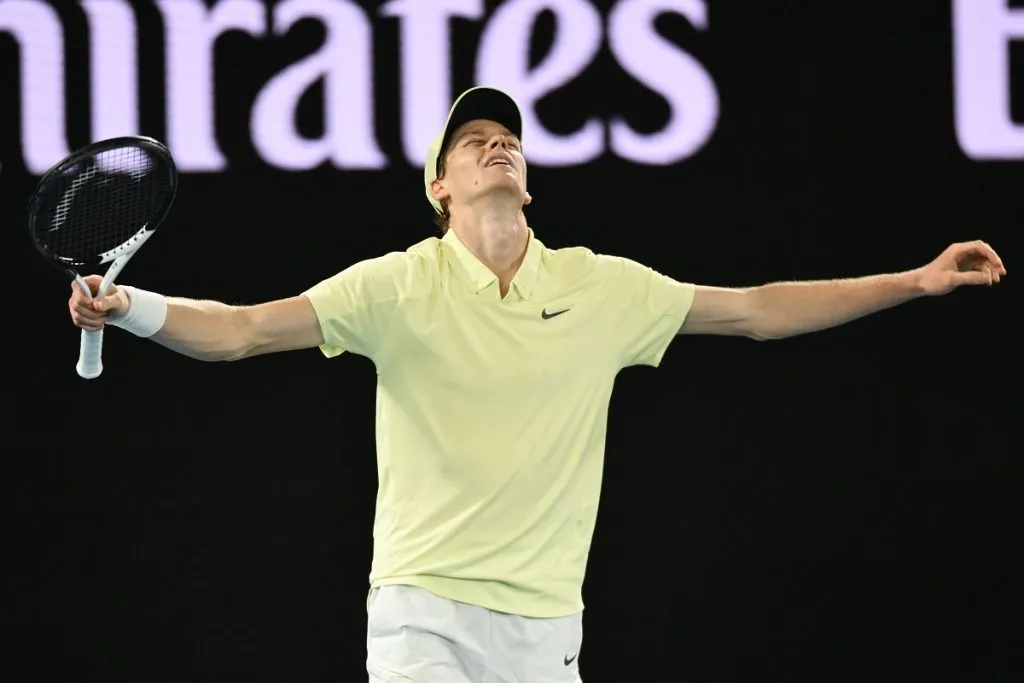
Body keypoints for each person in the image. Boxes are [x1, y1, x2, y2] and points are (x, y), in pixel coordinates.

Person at [68, 86, 1005, 683]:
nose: (496, 147)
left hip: (548, 630)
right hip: (421, 616)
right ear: (439, 185)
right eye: (473, 141)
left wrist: (914, 281)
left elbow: (759, 309)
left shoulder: (599, 285)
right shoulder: (394, 285)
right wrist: (135, 304)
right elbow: (238, 334)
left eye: (506, 138)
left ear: (530, 180)